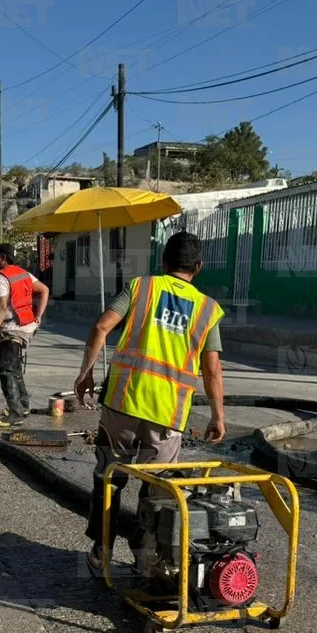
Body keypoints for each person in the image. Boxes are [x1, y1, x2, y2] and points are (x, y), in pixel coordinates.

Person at [73, 231, 226, 574]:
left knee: (108, 477)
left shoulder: (141, 287)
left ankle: (102, 551)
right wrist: (218, 415)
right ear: (198, 267)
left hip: (121, 405)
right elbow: (212, 368)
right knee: (156, 490)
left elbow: (101, 327)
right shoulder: (207, 309)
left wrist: (85, 374)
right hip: (167, 416)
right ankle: (145, 560)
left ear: (164, 261)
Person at [0, 243, 49, 428]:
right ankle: (23, 405)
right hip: (27, 327)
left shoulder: (1, 278)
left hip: (12, 329)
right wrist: (38, 316)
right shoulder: (23, 273)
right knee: (14, 369)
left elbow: (2, 308)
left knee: (5, 371)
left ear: (3, 258)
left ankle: (15, 414)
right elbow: (44, 290)